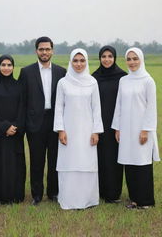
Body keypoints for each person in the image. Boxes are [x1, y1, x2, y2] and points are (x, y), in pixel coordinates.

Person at [53, 48, 104, 210]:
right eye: (75, 60)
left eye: (82, 61)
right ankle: (69, 200)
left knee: (86, 162)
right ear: (70, 62)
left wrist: (96, 131)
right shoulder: (63, 82)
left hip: (87, 131)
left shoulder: (92, 82)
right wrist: (61, 129)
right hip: (68, 131)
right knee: (69, 162)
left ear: (86, 62)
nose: (79, 64)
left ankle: (88, 200)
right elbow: (59, 108)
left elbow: (97, 108)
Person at [18, 37, 66, 205]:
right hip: (34, 124)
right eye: (41, 49)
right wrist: (24, 125)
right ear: (36, 51)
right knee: (37, 161)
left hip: (55, 123)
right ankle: (37, 195)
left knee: (55, 159)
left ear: (52, 50)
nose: (44, 52)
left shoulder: (62, 72)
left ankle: (53, 193)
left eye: (47, 49)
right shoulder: (26, 72)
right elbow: (21, 100)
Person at [112, 47, 160, 209]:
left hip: (141, 130)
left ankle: (146, 201)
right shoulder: (123, 80)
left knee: (143, 164)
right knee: (129, 164)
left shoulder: (148, 81)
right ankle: (134, 200)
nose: (132, 62)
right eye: (129, 59)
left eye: (135, 59)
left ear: (141, 60)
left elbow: (151, 108)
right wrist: (117, 128)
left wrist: (146, 129)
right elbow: (118, 105)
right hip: (126, 129)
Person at [0, 55, 26, 205]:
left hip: (15, 133)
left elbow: (22, 109)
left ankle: (14, 196)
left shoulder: (19, 86)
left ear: (13, 67)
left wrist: (14, 127)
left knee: (14, 165)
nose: (6, 68)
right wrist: (4, 127)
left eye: (9, 65)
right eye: (3, 65)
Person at [92, 46, 127, 203]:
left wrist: (120, 125)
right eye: (103, 56)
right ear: (99, 58)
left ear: (115, 58)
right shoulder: (93, 78)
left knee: (114, 158)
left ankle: (113, 194)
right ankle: (100, 192)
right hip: (98, 124)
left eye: (110, 56)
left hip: (117, 125)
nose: (106, 59)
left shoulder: (123, 78)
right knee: (100, 158)